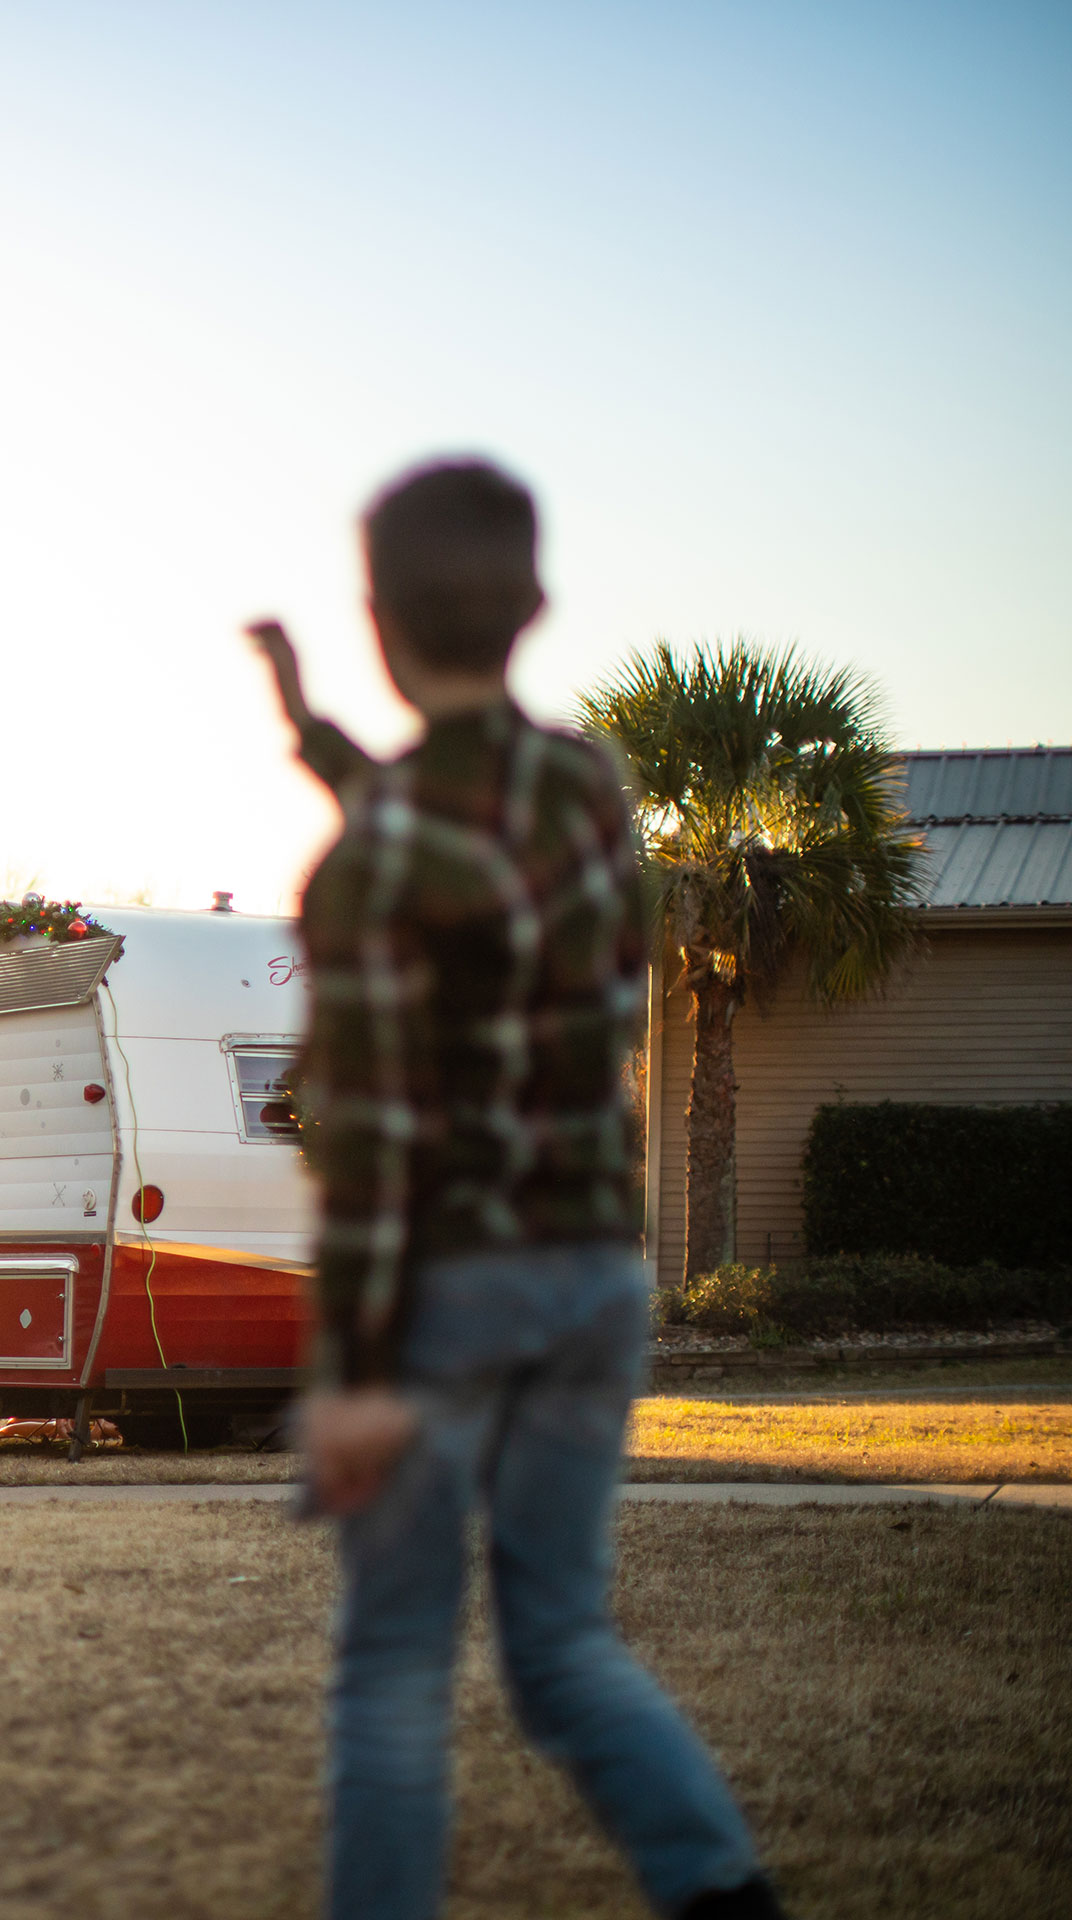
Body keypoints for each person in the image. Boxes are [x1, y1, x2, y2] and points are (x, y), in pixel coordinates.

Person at [268, 459, 782, 1920]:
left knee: (393, 1670)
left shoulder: (366, 865)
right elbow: (448, 831)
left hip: (452, 1284)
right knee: (559, 1645)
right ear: (537, 606)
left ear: (377, 618)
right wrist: (310, 730)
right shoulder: (586, 789)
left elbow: (366, 1151)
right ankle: (728, 1898)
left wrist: (360, 1369)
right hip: (594, 1274)